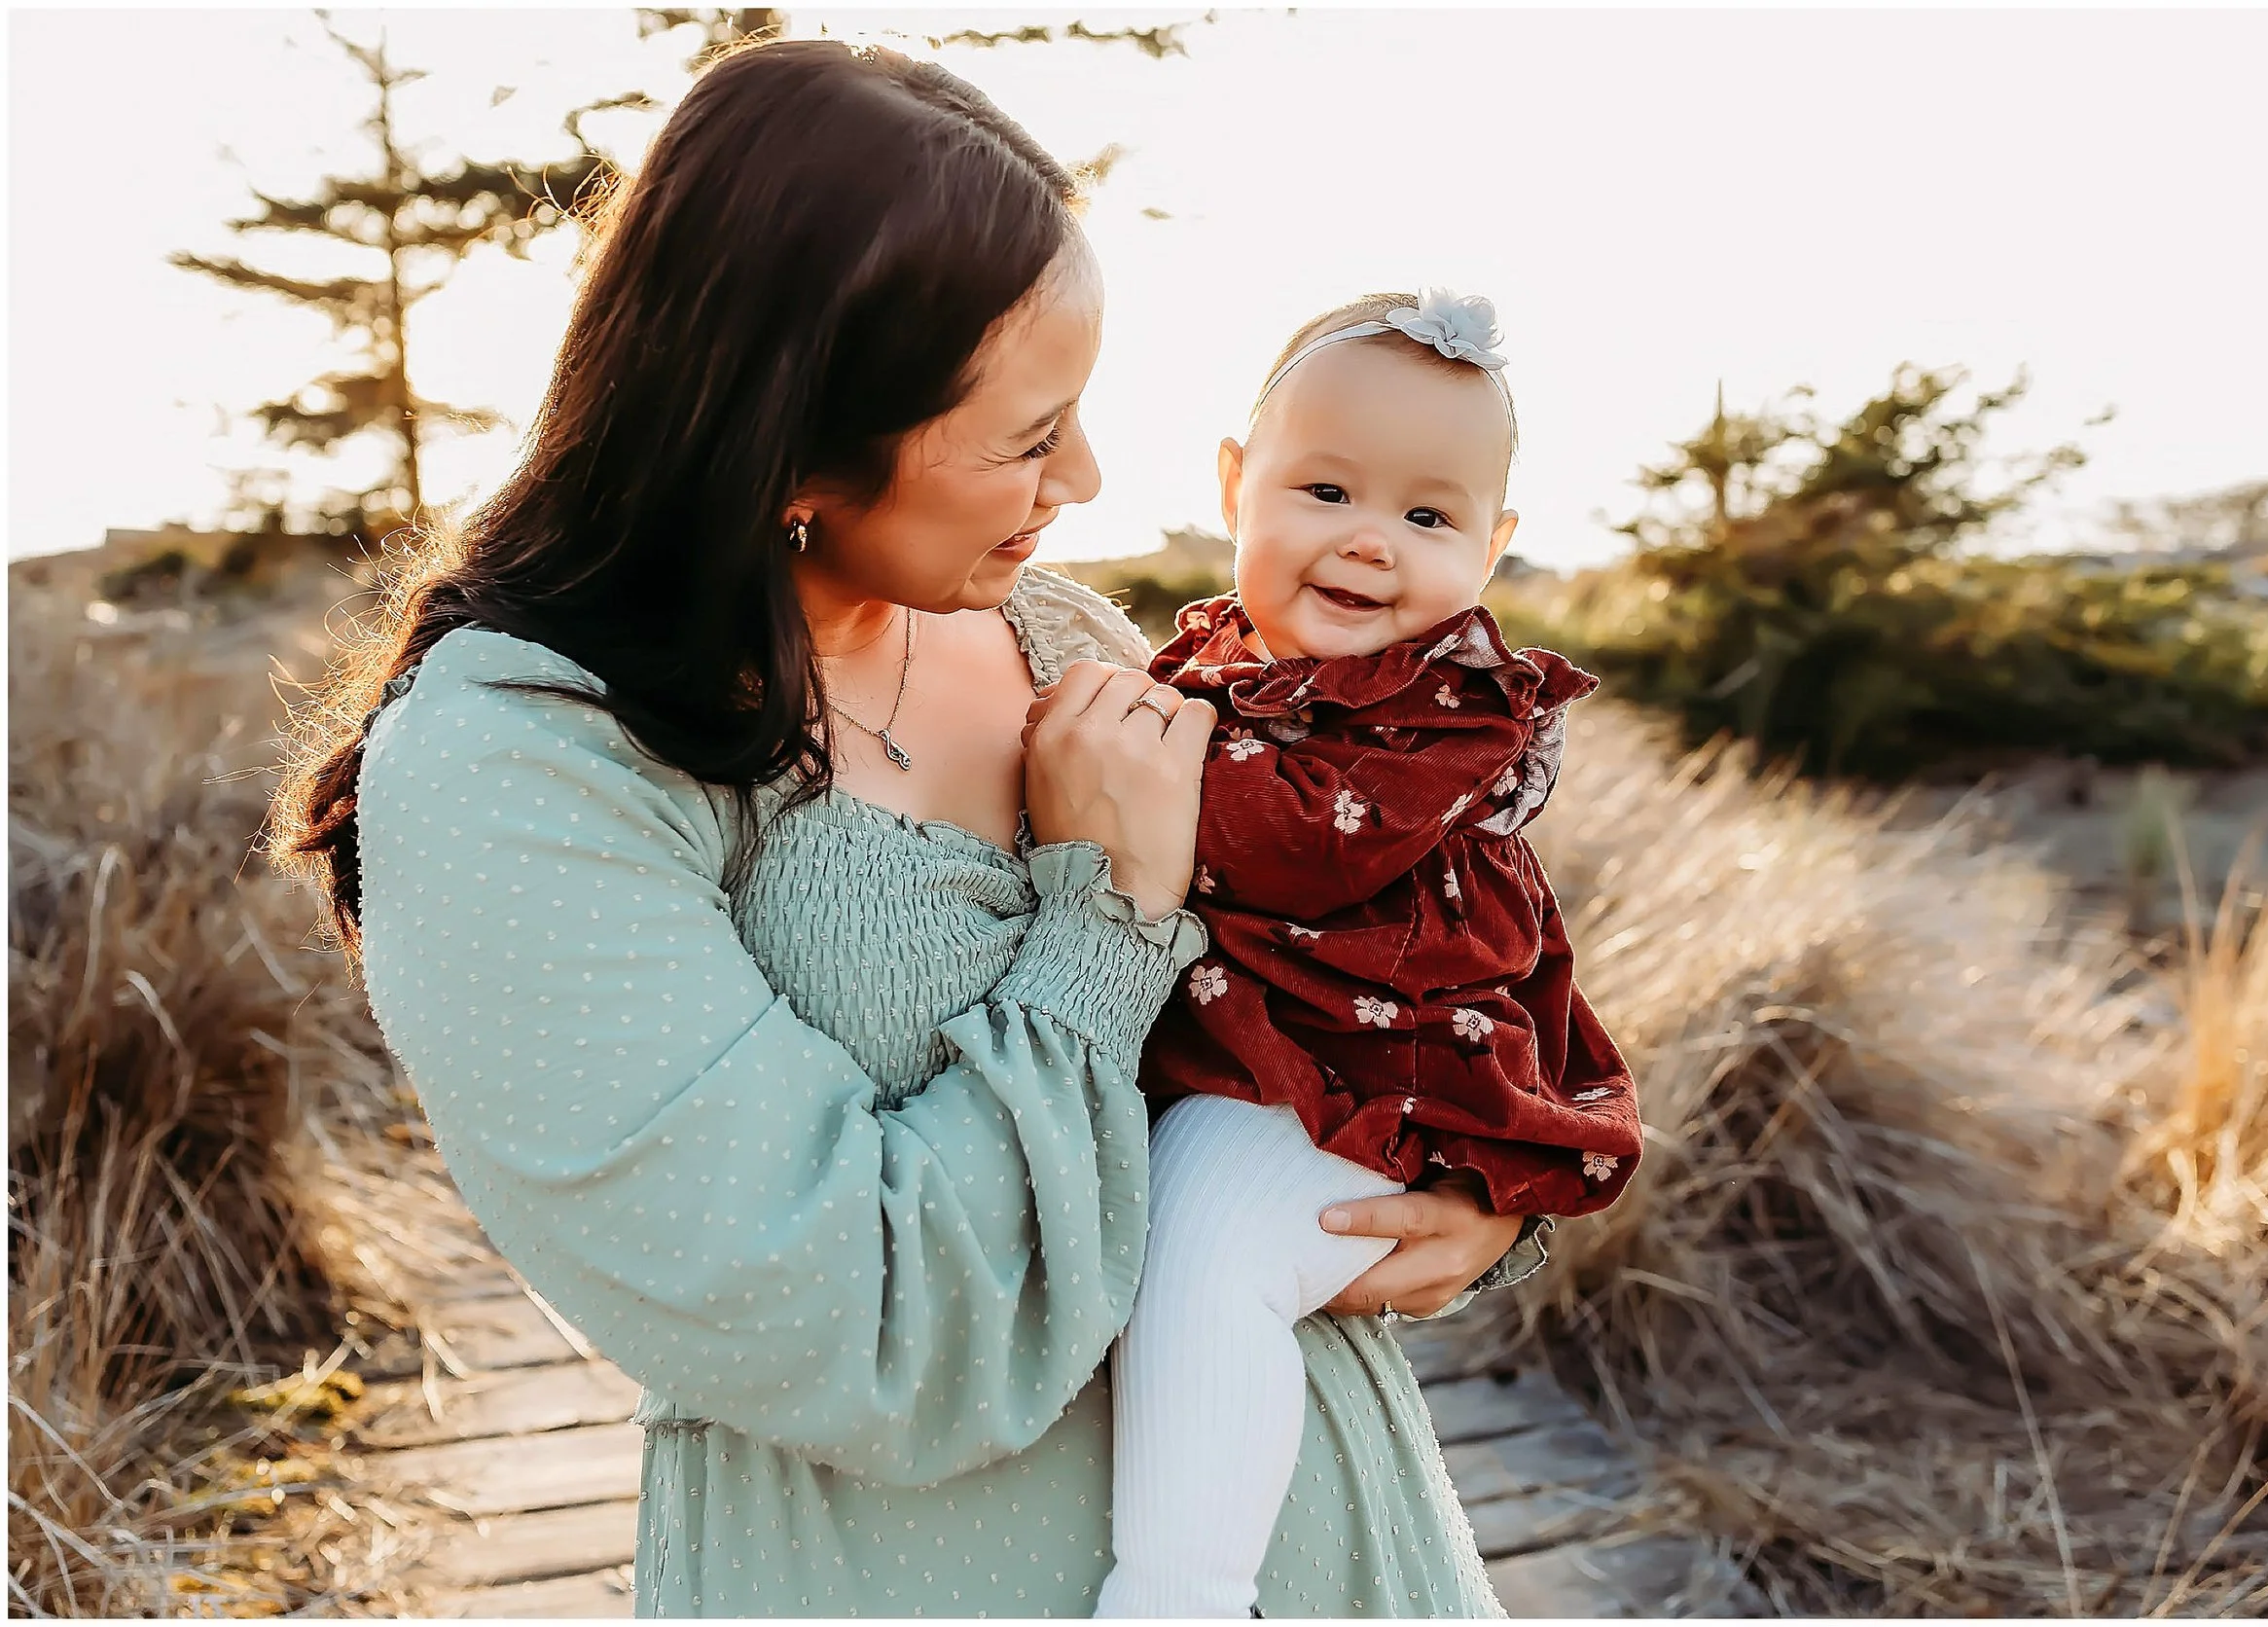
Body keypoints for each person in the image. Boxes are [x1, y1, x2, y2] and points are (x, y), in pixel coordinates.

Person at [270, 41, 1553, 1618]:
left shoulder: (1065, 637)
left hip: (1357, 1557)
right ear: (795, 434)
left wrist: (1483, 1196)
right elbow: (864, 1335)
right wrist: (1103, 917)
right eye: (1027, 436)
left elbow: (1355, 982)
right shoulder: (519, 765)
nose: (1082, 476)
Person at [1094, 291, 1644, 1617]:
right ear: (1237, 483)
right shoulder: (1215, 662)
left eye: (1428, 516)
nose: (1369, 544)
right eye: (1326, 489)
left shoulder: (1447, 706)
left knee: (1207, 1237)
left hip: (1369, 1068)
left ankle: (1181, 1590)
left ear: (1494, 547)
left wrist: (1118, 777)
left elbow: (1300, 847)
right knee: (1188, 1232)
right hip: (1269, 1047)